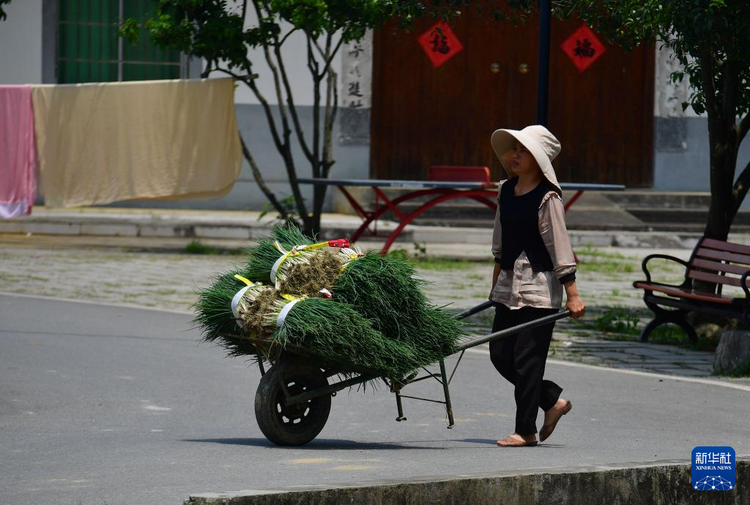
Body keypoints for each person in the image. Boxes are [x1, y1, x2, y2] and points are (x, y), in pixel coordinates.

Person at [488, 125, 586, 447]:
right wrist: (494, 284)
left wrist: (572, 294)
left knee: (528, 360)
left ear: (538, 160)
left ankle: (525, 431)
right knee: (500, 353)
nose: (515, 155)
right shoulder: (505, 190)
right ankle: (552, 401)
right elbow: (500, 242)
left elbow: (560, 246)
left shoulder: (548, 199)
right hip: (507, 286)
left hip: (538, 289)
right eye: (514, 149)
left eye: (523, 151)